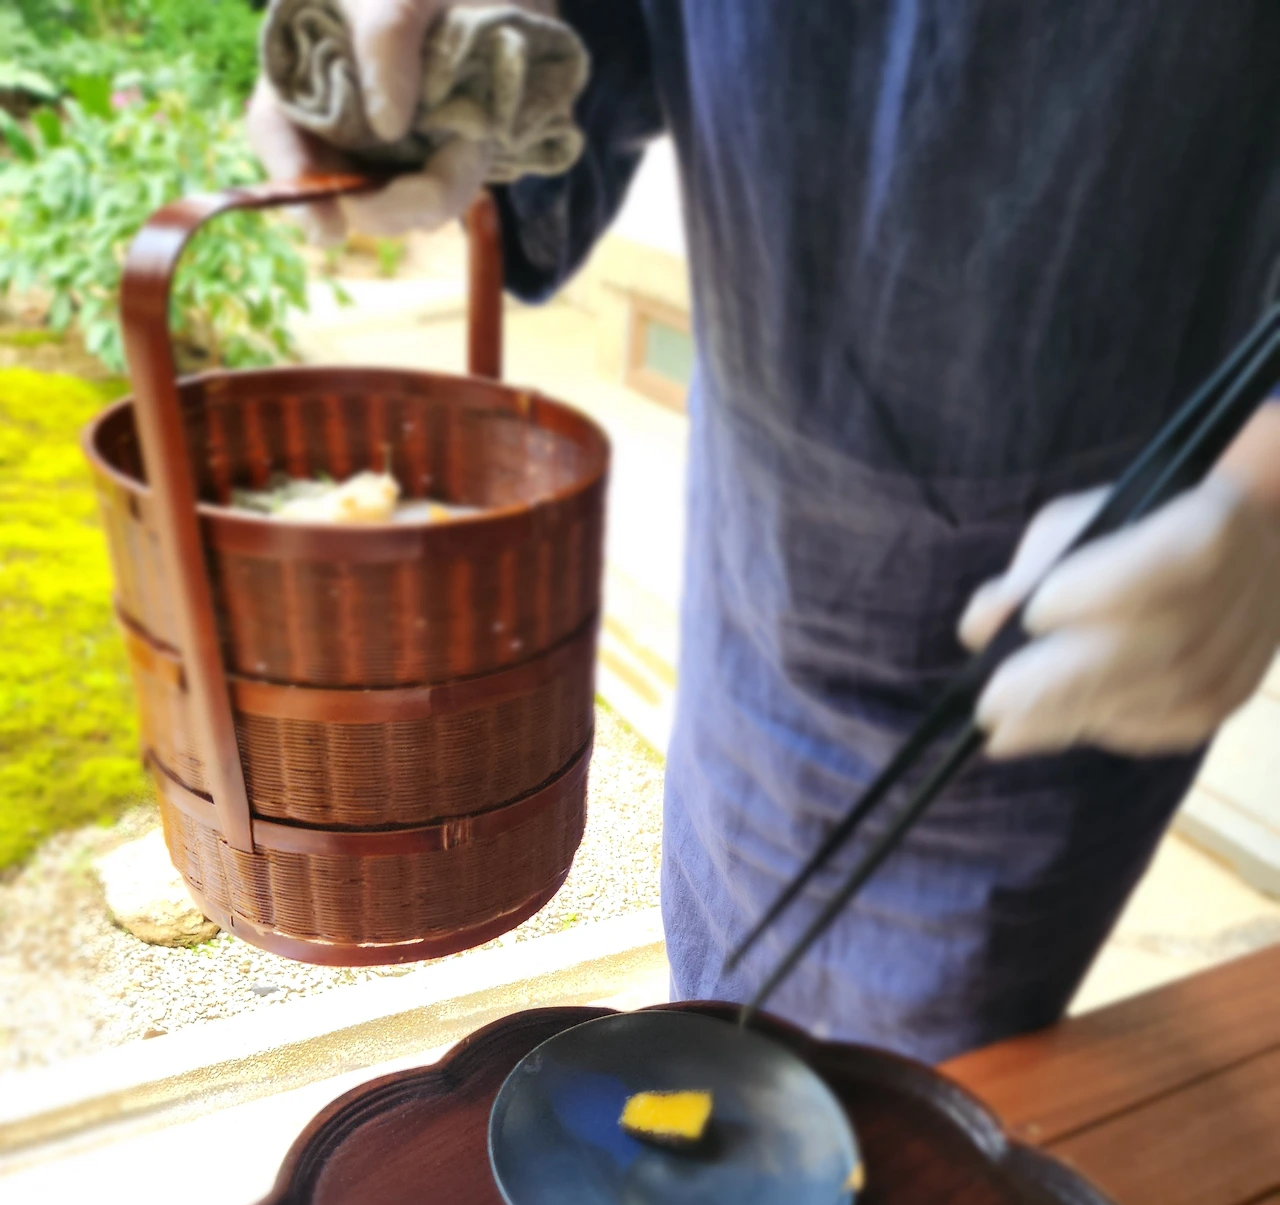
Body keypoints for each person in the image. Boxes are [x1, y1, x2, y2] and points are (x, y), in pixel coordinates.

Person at [250, 1, 1280, 1062]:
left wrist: (1267, 487)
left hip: (1065, 605)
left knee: (922, 1085)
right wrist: (460, 61)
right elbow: (595, 43)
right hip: (754, 560)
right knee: (716, 999)